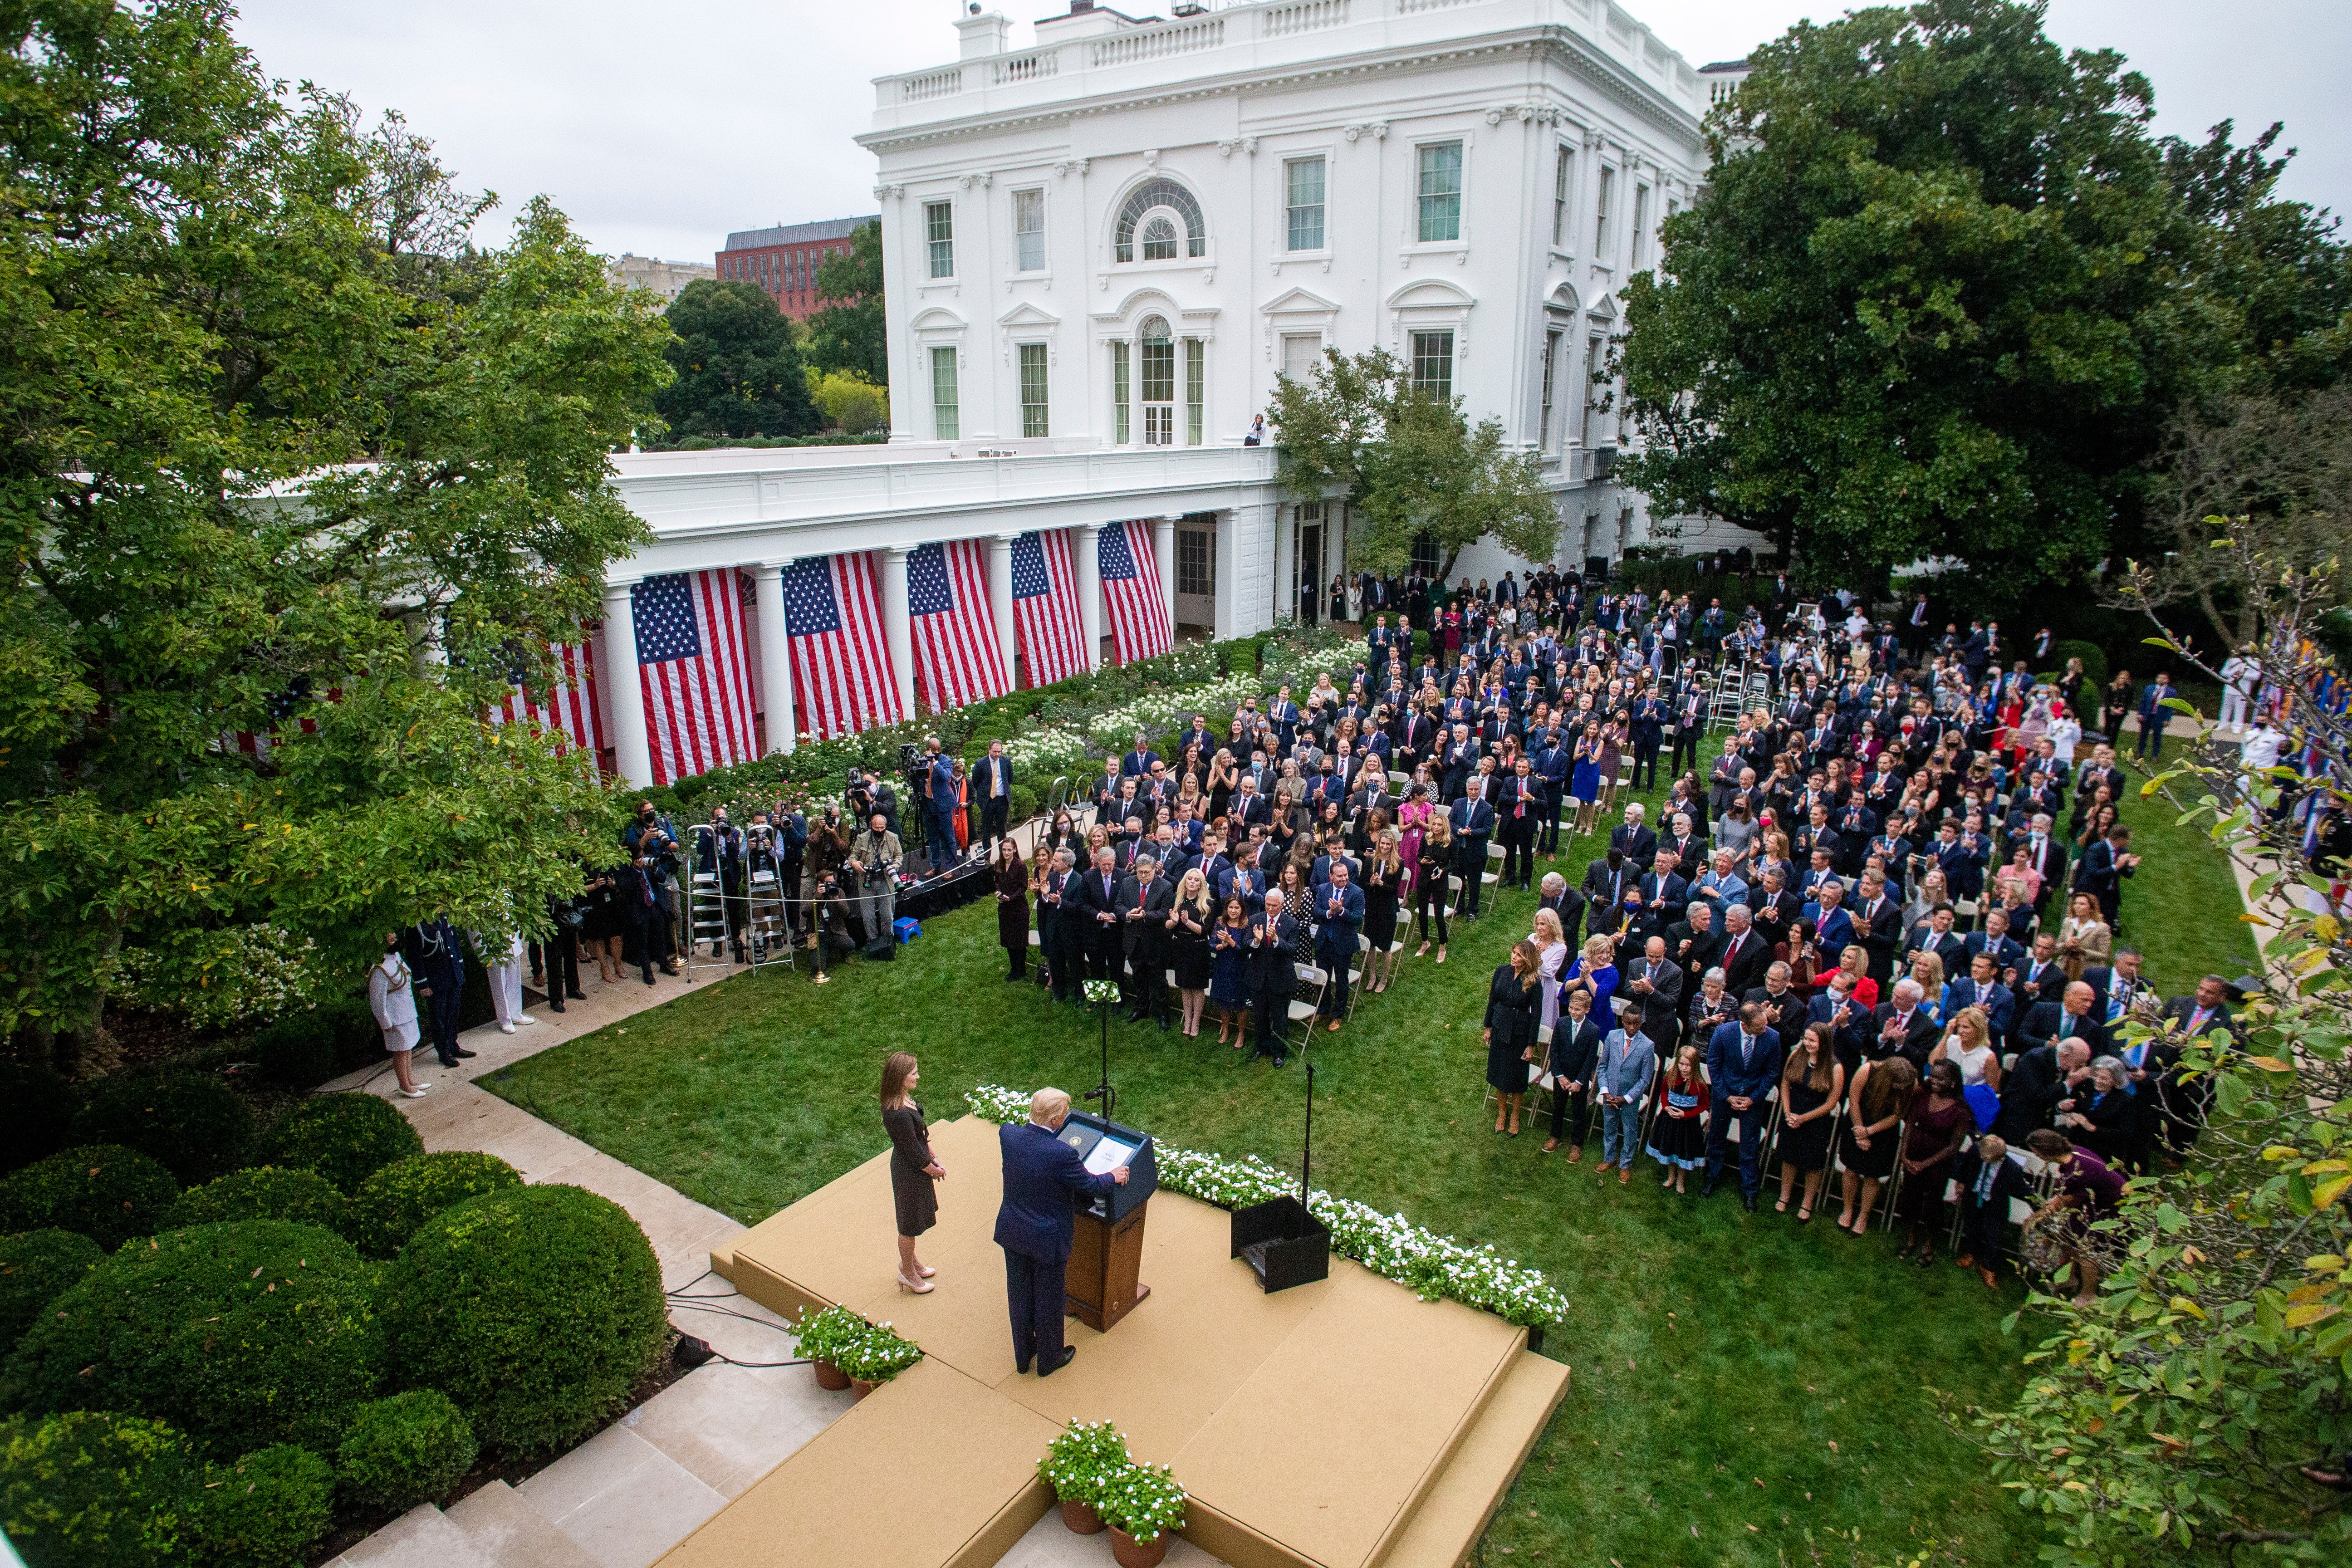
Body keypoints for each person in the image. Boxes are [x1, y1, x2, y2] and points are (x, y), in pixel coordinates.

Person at [995, 1087, 1130, 1377]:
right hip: (1047, 1239)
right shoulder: (1062, 1154)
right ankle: (1050, 1359)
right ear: (1056, 1120)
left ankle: (1024, 1357)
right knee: (1049, 1298)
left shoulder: (1009, 1135)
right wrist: (1113, 1175)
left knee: (1019, 1296)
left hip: (1014, 1232)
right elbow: (1090, 1186)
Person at [2023, 1127, 2124, 1306]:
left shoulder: (2077, 1173)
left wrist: (2034, 1218)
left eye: (2036, 1152)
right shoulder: (2074, 1153)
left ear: (2044, 1152)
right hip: (2091, 1201)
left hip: (2110, 1207)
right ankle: (2070, 1280)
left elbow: (2062, 1202)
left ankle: (2088, 1296)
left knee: (2088, 1251)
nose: (2036, 1156)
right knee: (2068, 1236)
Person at [1894, 1060, 1975, 1266]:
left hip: (1938, 1163)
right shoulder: (1922, 1094)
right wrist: (1904, 1155)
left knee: (1932, 1204)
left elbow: (1954, 1146)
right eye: (1933, 1076)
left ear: (1954, 1083)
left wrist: (1925, 1164)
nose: (1934, 1081)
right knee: (1909, 1198)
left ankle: (1928, 1246)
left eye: (1941, 1078)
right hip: (1912, 1154)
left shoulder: (1961, 1111)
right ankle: (1910, 1239)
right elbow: (1910, 1123)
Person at [1703, 1001, 1782, 1209]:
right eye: (1760, 1027)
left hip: (1752, 1098)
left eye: (1765, 1025)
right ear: (1745, 1025)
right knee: (1717, 1137)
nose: (1765, 1029)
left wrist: (1754, 1098)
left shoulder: (1772, 1038)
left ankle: (1749, 1189)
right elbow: (1714, 1064)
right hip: (1725, 1096)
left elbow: (1772, 1072)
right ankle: (1712, 1176)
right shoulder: (1723, 1033)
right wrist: (1725, 1095)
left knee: (1750, 1144)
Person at [882, 1052, 945, 1294]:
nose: (918, 1076)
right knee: (909, 1224)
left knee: (916, 1218)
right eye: (913, 1073)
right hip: (909, 1171)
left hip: (916, 1166)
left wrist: (935, 1157)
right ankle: (907, 1273)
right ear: (900, 1078)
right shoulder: (896, 1114)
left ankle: (912, 1263)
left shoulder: (906, 1100)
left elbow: (921, 1137)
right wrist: (933, 1171)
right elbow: (912, 1151)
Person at [1833, 1054, 1916, 1234]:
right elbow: (1853, 1100)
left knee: (1873, 1177)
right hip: (1858, 1121)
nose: (1899, 1089)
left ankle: (1863, 1217)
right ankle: (1847, 1211)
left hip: (1884, 1131)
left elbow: (1898, 1115)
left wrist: (1869, 1132)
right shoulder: (1867, 1071)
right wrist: (1860, 1132)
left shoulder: (1911, 1083)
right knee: (1851, 1170)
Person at [1773, 1023, 1843, 1219]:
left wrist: (1803, 1118)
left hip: (1816, 1119)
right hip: (1792, 1113)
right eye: (1806, 1039)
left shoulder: (1835, 1068)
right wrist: (1788, 1112)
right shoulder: (1796, 1056)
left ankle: (1807, 1202)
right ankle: (1785, 1195)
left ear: (1825, 1043)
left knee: (1813, 1163)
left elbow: (1831, 1103)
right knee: (1789, 1157)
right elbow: (1785, 1084)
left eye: (1812, 1040)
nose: (1807, 1043)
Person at [1950, 1133, 2032, 1289]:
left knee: (1994, 1235)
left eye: (1987, 1159)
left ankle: (1988, 1267)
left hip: (1996, 1203)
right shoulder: (1976, 1150)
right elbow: (1964, 1165)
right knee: (1971, 1226)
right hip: (1974, 1194)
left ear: (2000, 1158)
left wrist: (2039, 1206)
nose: (1983, 1159)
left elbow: (2024, 1190)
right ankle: (1970, 1253)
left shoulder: (2012, 1168)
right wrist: (1961, 1182)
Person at [1484, 940, 1544, 1136]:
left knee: (1517, 1076)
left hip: (1520, 1031)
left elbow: (1537, 1014)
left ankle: (1516, 1115)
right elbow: (1493, 999)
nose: (1513, 957)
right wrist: (1488, 1026)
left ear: (1527, 959)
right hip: (1500, 1026)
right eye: (1513, 952)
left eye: (1518, 955)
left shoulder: (1534, 981)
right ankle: (1502, 1112)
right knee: (1500, 1073)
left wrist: (1531, 1044)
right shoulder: (1502, 971)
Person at [1594, 1001, 1658, 1183]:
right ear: (1622, 1021)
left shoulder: (1647, 1046)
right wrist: (1605, 1091)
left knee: (1630, 1129)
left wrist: (1627, 1098)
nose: (1631, 1027)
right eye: (1628, 1023)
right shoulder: (1612, 1037)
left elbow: (1645, 1079)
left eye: (1636, 1024)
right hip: (1611, 1094)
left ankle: (1625, 1164)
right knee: (1610, 1125)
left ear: (1641, 1023)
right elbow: (1603, 1067)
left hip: (1630, 1097)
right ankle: (1609, 1158)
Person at [1543, 985, 1604, 1158]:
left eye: (1577, 1010)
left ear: (1587, 1010)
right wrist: (1559, 1075)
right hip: (1562, 1075)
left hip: (1580, 1078)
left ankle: (1577, 1144)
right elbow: (1554, 1052)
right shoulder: (1561, 1023)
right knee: (1558, 1107)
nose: (1573, 1012)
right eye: (1571, 1008)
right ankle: (1555, 1136)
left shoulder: (1593, 1030)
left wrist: (1579, 1082)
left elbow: (1590, 1060)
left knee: (1579, 1111)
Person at [403, 916, 473, 1068]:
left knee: (452, 1013)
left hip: (452, 974)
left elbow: (453, 943)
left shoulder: (444, 918)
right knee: (439, 1018)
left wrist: (459, 967)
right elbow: (415, 956)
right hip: (436, 979)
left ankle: (453, 1046)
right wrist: (422, 984)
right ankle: (444, 1052)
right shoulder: (416, 926)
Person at [367, 933, 431, 1098]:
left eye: (394, 937)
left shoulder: (396, 958)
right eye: (390, 939)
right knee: (400, 1051)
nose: (394, 940)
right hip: (395, 1017)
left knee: (408, 1048)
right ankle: (404, 1085)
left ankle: (410, 1080)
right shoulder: (379, 969)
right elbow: (377, 1000)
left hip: (407, 1012)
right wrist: (385, 1022)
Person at [1644, 1043, 1709, 1192]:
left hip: (1687, 1124)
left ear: (1695, 1065)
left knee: (1683, 1150)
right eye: (1681, 1064)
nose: (1684, 1068)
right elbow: (1664, 1091)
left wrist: (1686, 1114)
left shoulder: (1699, 1084)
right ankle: (1671, 1176)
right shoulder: (1671, 1076)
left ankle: (1681, 1180)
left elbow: (1704, 1105)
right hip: (1669, 1120)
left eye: (1688, 1065)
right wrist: (1666, 1106)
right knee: (1670, 1148)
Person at [1249, 887, 1299, 1066]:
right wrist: (1256, 941)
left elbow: (1293, 949)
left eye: (1274, 905)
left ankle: (1279, 1053)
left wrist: (1277, 940)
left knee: (1279, 1018)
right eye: (1268, 904)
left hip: (1281, 979)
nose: (1270, 908)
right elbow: (1245, 945)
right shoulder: (1255, 920)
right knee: (1260, 1016)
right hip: (1259, 978)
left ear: (1282, 905)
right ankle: (1261, 1048)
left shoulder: (1291, 923)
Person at [1313, 859, 1365, 1031]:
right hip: (1324, 942)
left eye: (1346, 876)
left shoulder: (1357, 893)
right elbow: (1317, 912)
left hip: (1343, 944)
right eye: (1340, 876)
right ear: (1331, 877)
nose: (1344, 879)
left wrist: (1342, 911)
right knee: (1324, 978)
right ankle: (1323, 1008)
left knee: (1342, 981)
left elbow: (1358, 919)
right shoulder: (1323, 890)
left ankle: (1338, 1015)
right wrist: (1329, 912)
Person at [1169, 867, 1215, 1039]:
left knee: (1197, 987)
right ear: (1185, 881)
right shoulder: (1179, 900)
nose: (1193, 882)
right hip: (1181, 946)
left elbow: (1205, 930)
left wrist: (1188, 922)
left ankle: (1196, 1021)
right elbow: (1170, 925)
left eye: (1197, 880)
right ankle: (1187, 1020)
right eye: (1190, 879)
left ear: (1201, 883)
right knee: (1184, 986)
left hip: (1198, 948)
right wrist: (1174, 922)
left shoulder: (1208, 903)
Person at [848, 810, 902, 949]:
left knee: (887, 916)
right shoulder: (862, 838)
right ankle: (873, 942)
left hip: (886, 881)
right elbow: (853, 857)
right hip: (867, 881)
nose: (879, 830)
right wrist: (855, 864)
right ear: (871, 826)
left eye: (882, 828)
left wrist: (893, 867)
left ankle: (887, 942)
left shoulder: (893, 838)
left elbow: (899, 856)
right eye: (877, 828)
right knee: (868, 917)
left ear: (885, 826)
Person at [1210, 896, 1254, 1049]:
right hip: (1223, 966)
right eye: (1231, 908)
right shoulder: (1220, 922)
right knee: (1224, 1001)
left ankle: (1241, 1033)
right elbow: (1211, 943)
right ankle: (1226, 1030)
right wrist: (1220, 946)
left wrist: (1231, 942)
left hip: (1239, 968)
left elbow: (1246, 949)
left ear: (1242, 909)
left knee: (1240, 1003)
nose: (1233, 911)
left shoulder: (1246, 925)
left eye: (1237, 908)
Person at [994, 837, 1030, 980]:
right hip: (1004, 908)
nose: (1007, 853)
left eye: (1009, 850)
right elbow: (997, 881)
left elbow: (1023, 888)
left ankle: (1021, 969)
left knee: (1019, 940)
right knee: (1009, 939)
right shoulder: (999, 864)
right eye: (1004, 850)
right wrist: (999, 893)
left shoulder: (1021, 866)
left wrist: (1011, 897)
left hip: (1019, 908)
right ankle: (1014, 968)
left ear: (1015, 850)